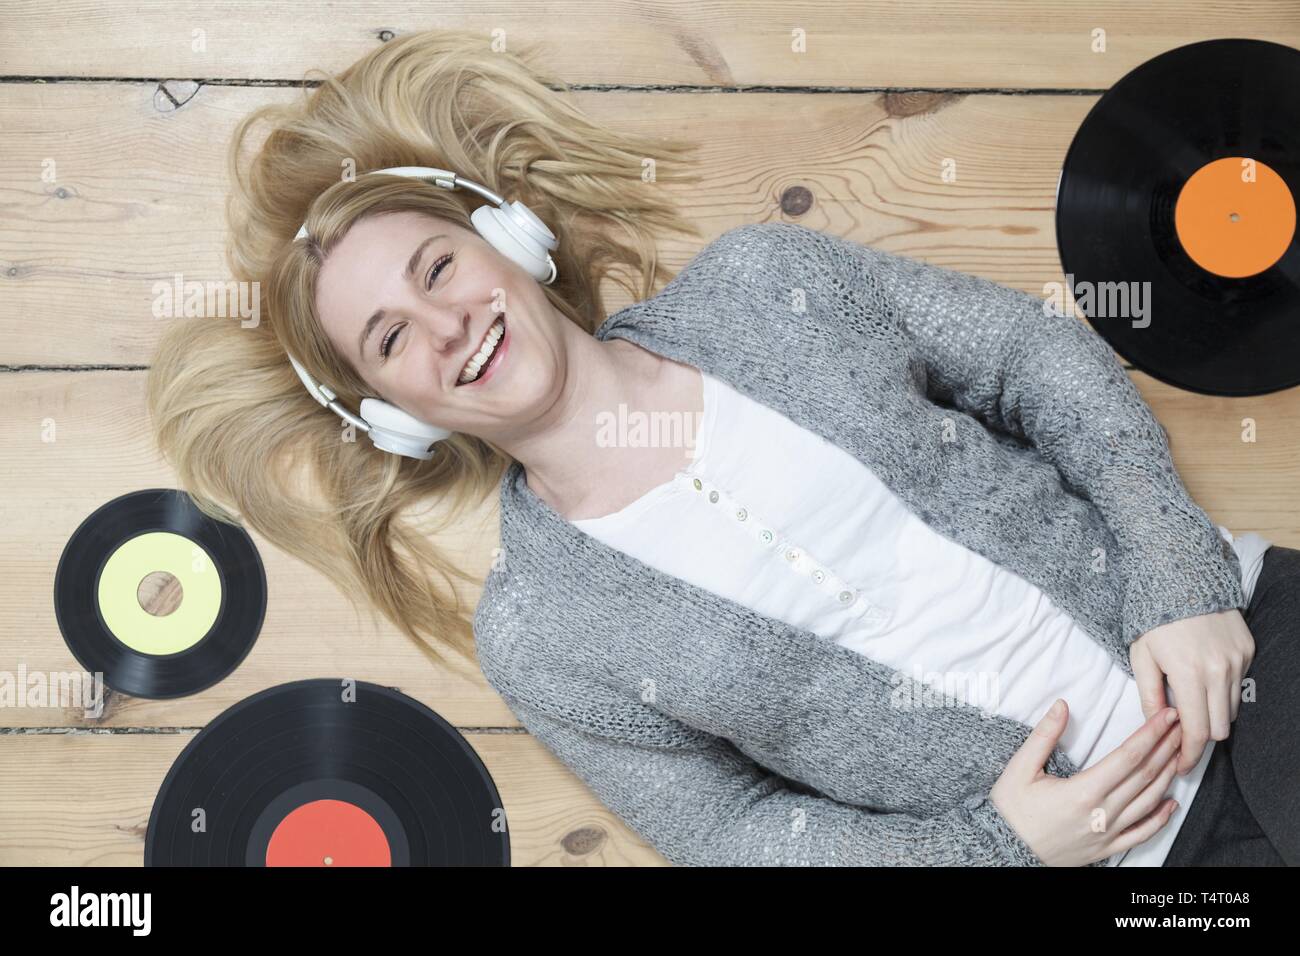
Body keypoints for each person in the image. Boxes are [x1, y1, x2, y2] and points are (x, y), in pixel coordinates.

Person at [146, 28, 1295, 866]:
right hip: (1146, 869)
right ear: (395, 413)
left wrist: (1179, 582)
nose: (447, 326)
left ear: (510, 239)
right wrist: (998, 846)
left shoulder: (768, 284)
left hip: (1249, 645)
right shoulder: (542, 638)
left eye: (439, 267)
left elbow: (1032, 363)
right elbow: (731, 835)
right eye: (390, 337)